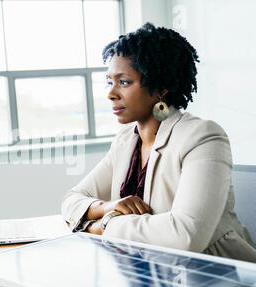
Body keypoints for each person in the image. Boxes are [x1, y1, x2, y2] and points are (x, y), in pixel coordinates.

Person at [61, 22, 256, 263]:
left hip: (218, 279)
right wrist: (106, 206)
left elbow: (185, 236)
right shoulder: (125, 141)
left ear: (161, 88)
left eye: (123, 82)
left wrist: (105, 223)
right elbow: (71, 200)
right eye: (109, 82)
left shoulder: (203, 137)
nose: (111, 93)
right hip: (148, 275)